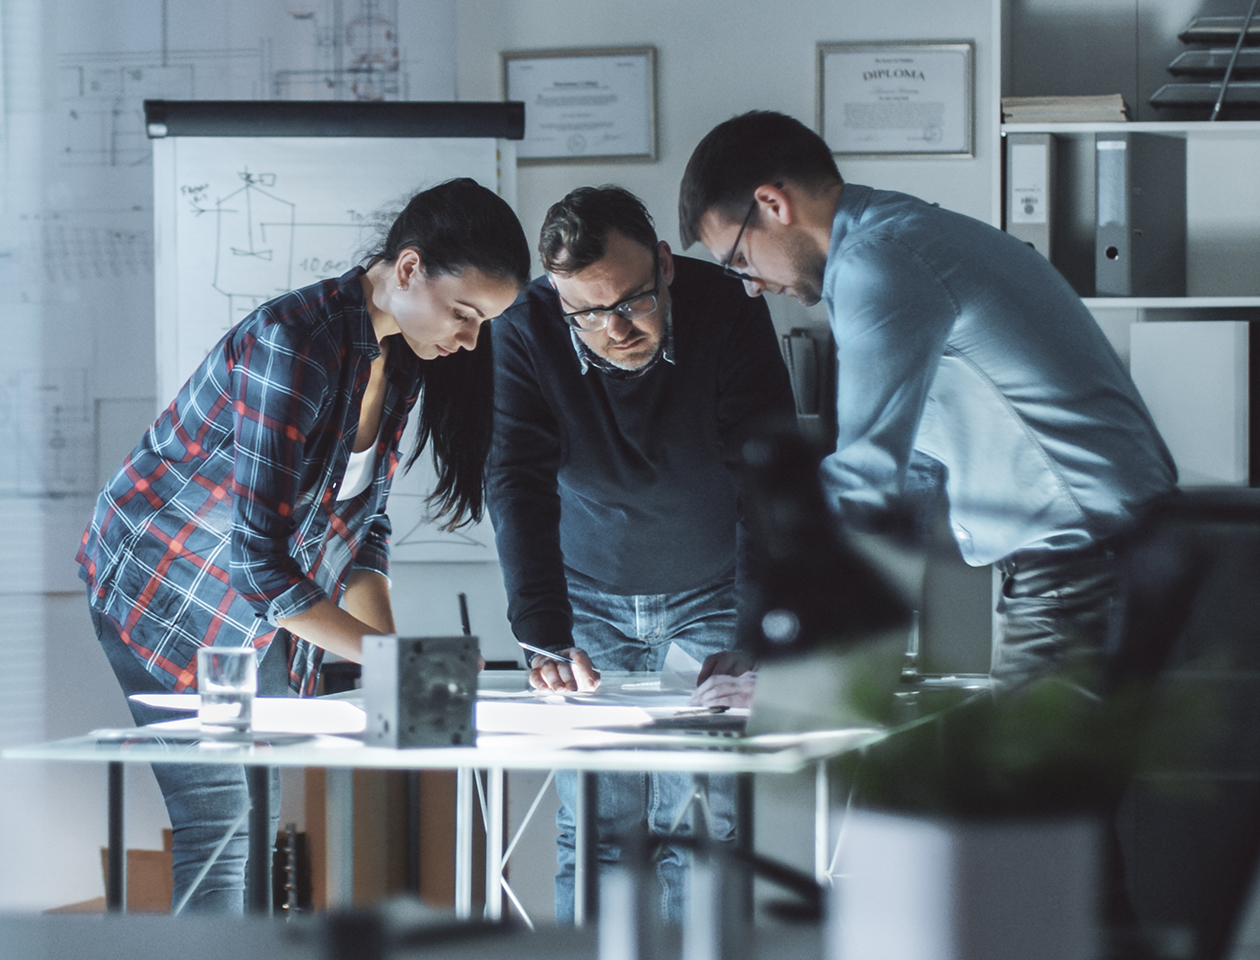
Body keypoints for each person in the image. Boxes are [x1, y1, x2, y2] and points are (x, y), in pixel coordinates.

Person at [77, 178, 531, 912]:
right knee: (222, 821)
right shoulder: (293, 345)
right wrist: (392, 664)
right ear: (409, 269)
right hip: (167, 589)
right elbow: (257, 564)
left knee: (259, 822)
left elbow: (363, 527)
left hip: (260, 607)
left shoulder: (404, 355)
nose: (471, 340)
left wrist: (396, 655)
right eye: (465, 314)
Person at [678, 111, 1177, 697]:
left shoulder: (878, 261)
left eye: (738, 258)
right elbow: (910, 470)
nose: (750, 284)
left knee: (1036, 785)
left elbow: (864, 476)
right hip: (1105, 555)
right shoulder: (903, 234)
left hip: (1081, 564)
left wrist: (796, 672)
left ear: (772, 204)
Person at [485, 185, 794, 922]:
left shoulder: (729, 305)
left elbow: (767, 474)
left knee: (704, 828)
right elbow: (515, 479)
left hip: (714, 587)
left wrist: (756, 633)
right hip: (587, 594)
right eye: (586, 314)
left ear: (664, 264)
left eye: (631, 300)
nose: (615, 328)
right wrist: (541, 629)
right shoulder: (524, 325)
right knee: (596, 830)